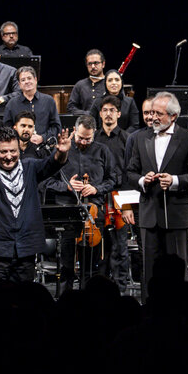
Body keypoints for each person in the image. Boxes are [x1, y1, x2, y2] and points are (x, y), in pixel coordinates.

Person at [0, 124, 71, 284]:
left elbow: (54, 163)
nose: (9, 156)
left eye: (13, 151)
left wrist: (62, 152)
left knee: (21, 303)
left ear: (19, 150)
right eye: (3, 151)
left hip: (25, 252)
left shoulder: (30, 166)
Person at [125, 90, 188, 291]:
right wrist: (144, 180)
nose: (153, 117)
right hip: (149, 215)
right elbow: (131, 172)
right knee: (150, 272)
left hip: (176, 216)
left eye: (158, 114)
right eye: (151, 113)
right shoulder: (140, 138)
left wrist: (175, 181)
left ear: (173, 116)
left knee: (177, 273)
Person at [44, 115, 119, 295]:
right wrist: (67, 186)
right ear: (74, 132)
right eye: (80, 138)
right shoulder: (61, 151)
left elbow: (114, 178)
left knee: (92, 265)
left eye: (88, 139)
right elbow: (46, 181)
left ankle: (90, 302)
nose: (84, 142)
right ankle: (64, 302)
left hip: (93, 212)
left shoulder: (103, 151)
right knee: (66, 264)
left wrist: (96, 188)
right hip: (67, 211)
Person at [2, 66, 58, 146]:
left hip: (44, 148)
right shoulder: (11, 104)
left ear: (35, 80)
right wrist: (21, 140)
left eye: (29, 78)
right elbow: (7, 128)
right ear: (19, 84)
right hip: (20, 150)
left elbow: (56, 126)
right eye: (23, 80)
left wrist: (42, 138)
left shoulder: (49, 101)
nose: (27, 82)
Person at [68, 49, 108, 116]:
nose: (93, 66)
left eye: (96, 63)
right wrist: (87, 114)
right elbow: (71, 107)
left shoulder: (109, 83)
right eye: (89, 64)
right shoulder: (80, 85)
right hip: (85, 124)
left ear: (103, 64)